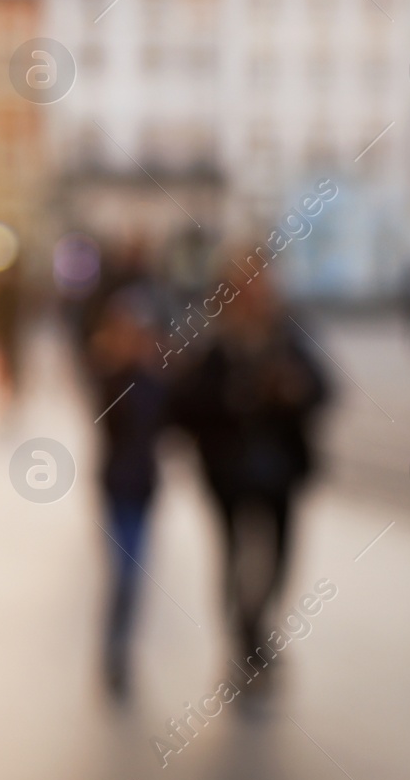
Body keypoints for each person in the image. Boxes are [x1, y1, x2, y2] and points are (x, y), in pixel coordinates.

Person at [169, 266, 328, 692]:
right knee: (234, 556)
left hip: (281, 467)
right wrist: (227, 400)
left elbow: (326, 388)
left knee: (278, 556)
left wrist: (293, 391)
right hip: (227, 471)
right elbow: (181, 407)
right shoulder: (213, 344)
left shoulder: (290, 336)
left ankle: (256, 630)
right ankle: (243, 642)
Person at [88, 286, 166, 698]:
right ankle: (116, 647)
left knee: (133, 573)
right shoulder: (109, 377)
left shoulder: (155, 380)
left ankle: (120, 647)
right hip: (117, 486)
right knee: (124, 573)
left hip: (145, 487)